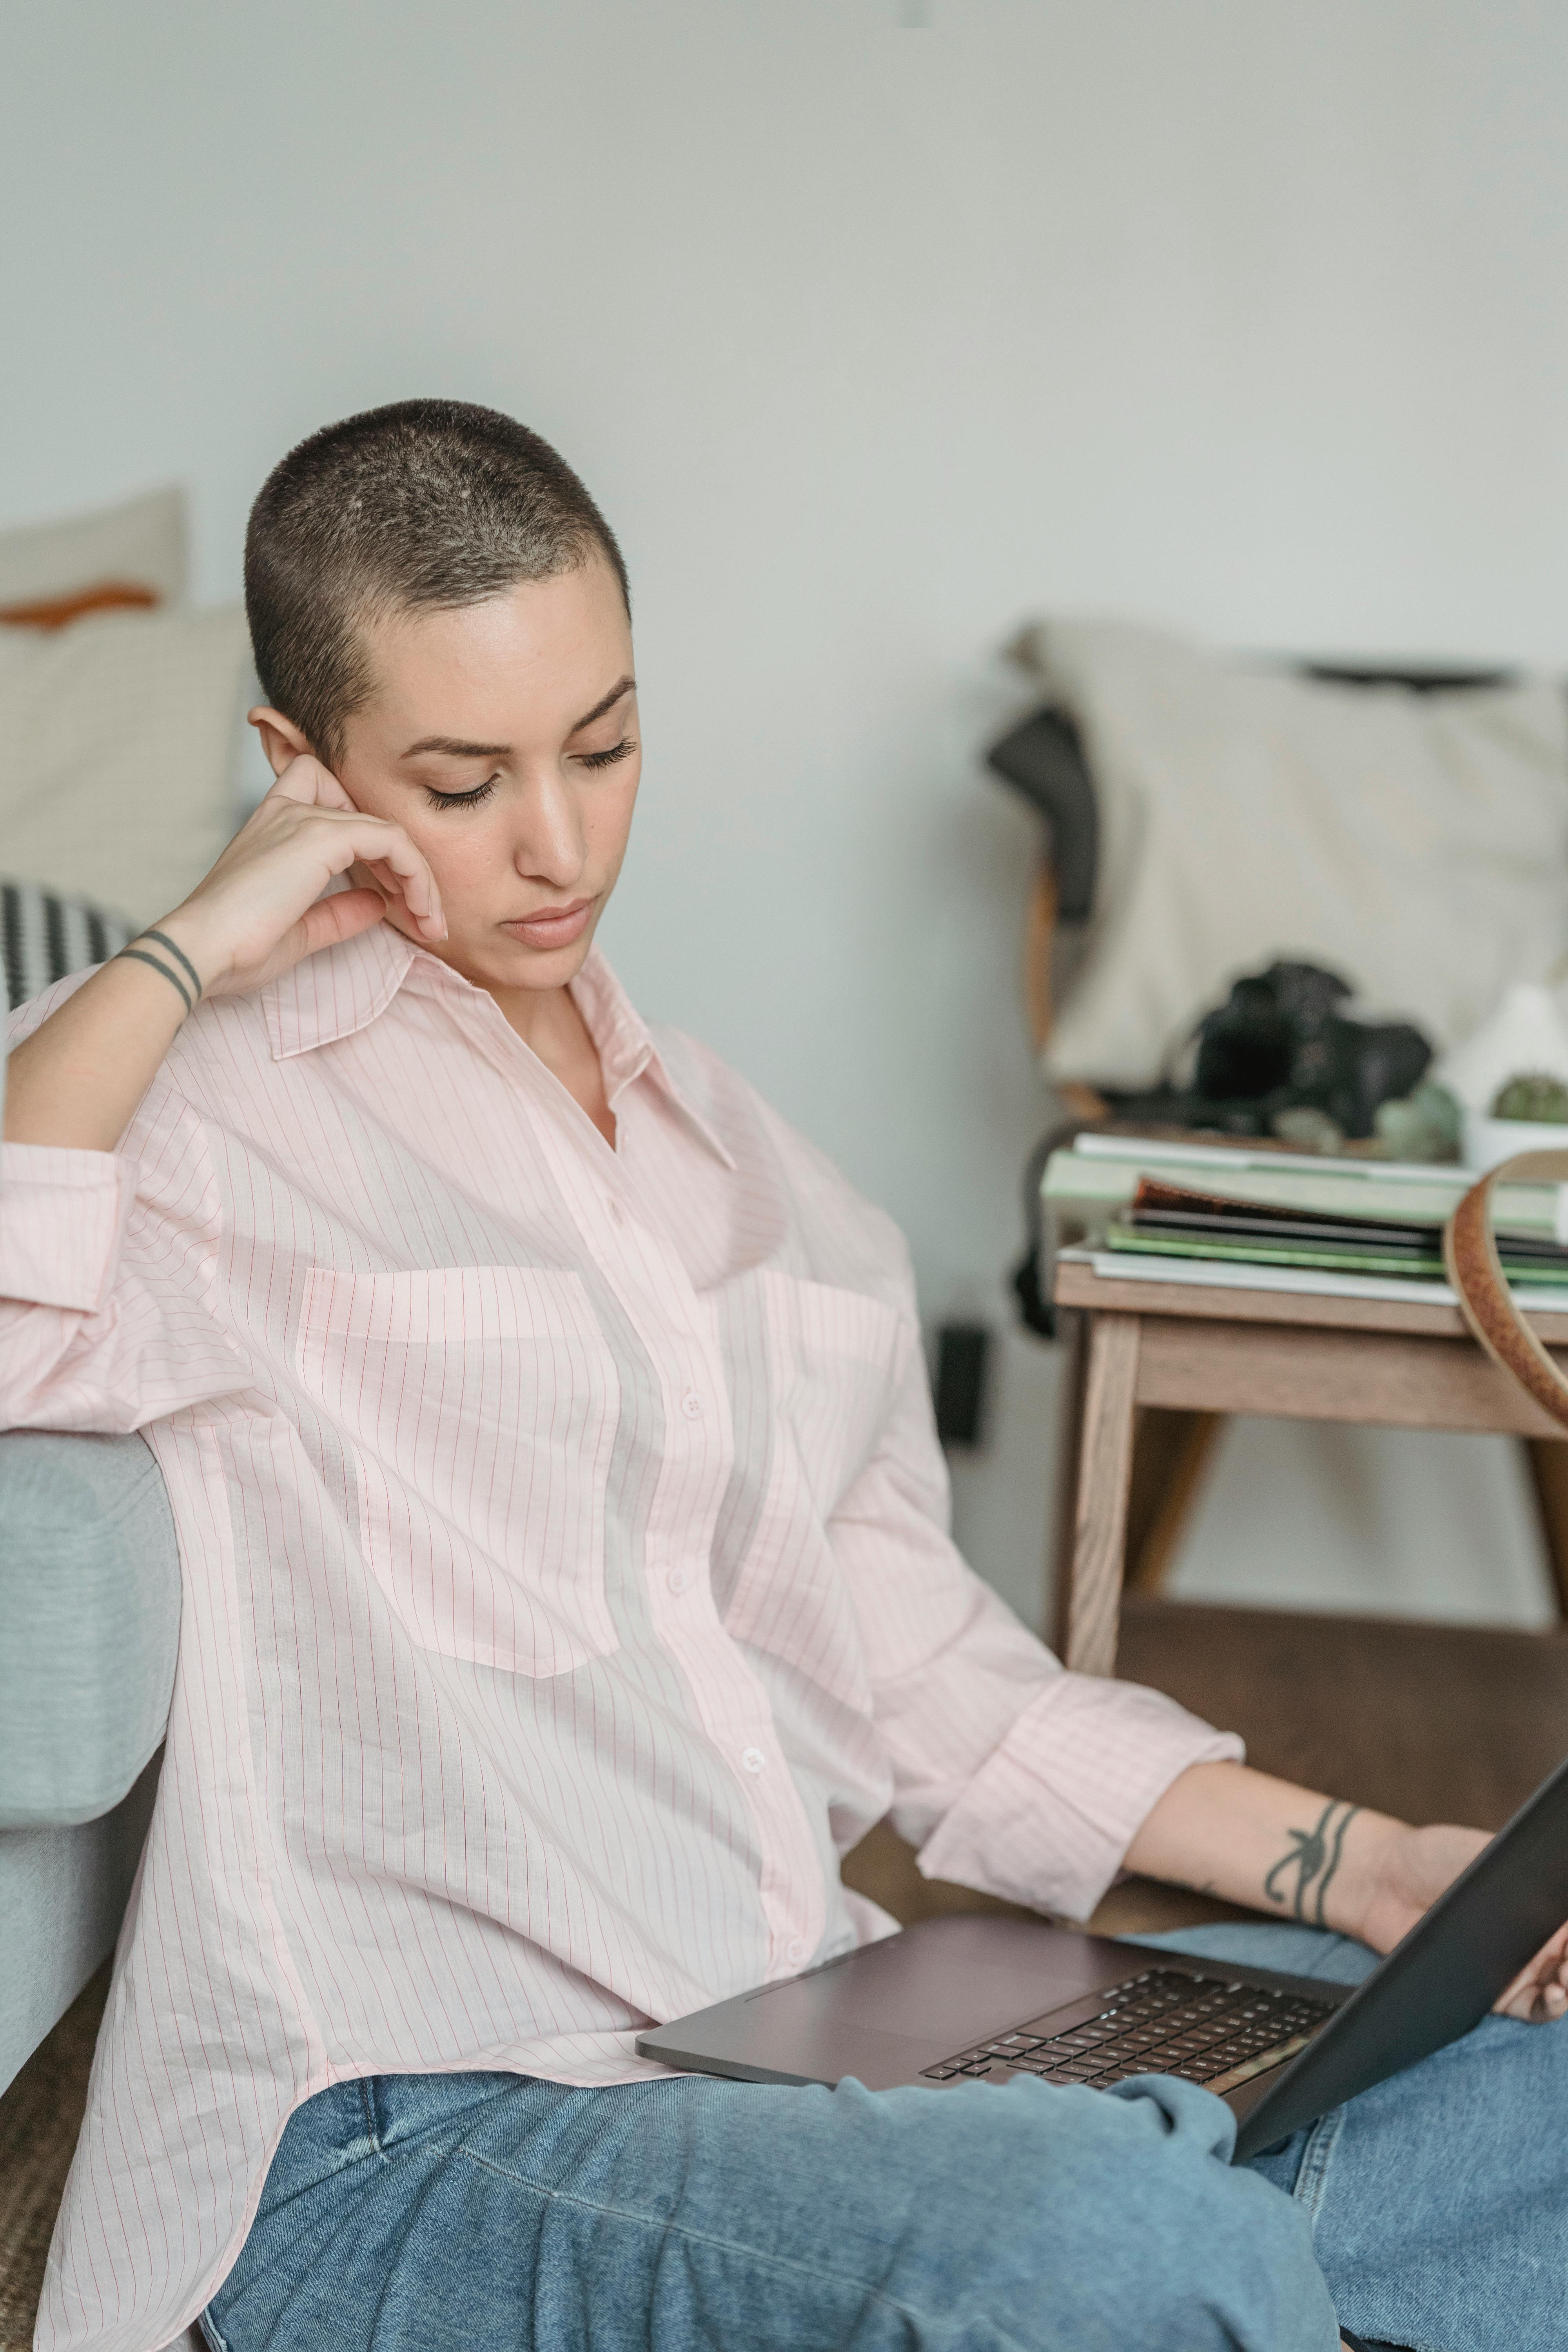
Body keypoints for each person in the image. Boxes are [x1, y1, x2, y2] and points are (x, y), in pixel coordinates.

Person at [3, 400, 1564, 2352]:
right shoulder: (187, 1106)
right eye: (463, 780)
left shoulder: (763, 1185)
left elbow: (935, 1684)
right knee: (1112, 2241)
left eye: (604, 743)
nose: (560, 842)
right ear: (300, 769)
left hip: (793, 2048)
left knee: (1530, 2120)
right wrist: (186, 943)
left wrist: (1371, 1863)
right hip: (417, 2123)